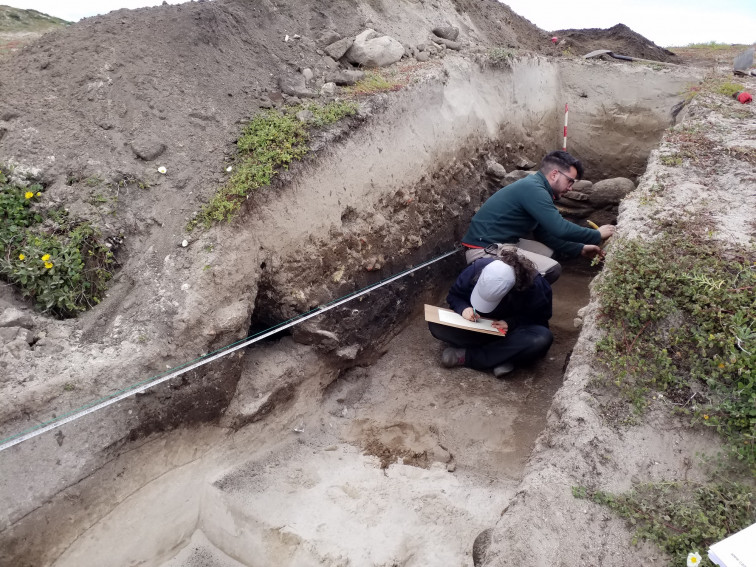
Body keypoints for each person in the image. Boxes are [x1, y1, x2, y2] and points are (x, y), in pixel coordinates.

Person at [461, 150, 616, 283]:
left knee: (548, 252)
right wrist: (596, 235)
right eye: (570, 181)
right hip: (484, 251)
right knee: (552, 270)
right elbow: (560, 228)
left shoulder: (538, 188)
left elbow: (545, 234)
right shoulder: (534, 189)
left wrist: (580, 249)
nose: (571, 188)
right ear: (555, 174)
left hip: (502, 242)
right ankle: (501, 301)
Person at [428, 250, 553, 378]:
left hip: (511, 333)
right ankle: (504, 356)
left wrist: (511, 323)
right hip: (479, 327)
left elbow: (539, 319)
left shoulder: (535, 286)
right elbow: (454, 295)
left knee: (542, 338)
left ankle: (467, 356)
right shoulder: (475, 269)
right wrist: (463, 308)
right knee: (436, 325)